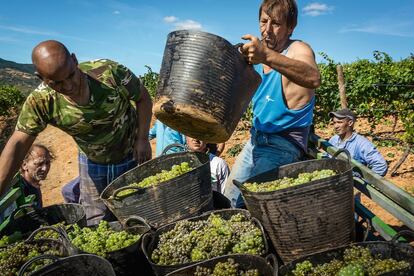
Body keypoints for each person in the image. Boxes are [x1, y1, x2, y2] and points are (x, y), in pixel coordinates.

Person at [0, 40, 152, 225]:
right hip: (92, 162)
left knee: (139, 211)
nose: (69, 86)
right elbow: (17, 144)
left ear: (74, 59)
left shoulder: (109, 72)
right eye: (57, 83)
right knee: (96, 220)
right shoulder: (41, 101)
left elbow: (143, 98)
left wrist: (142, 138)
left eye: (71, 75)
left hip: (132, 155)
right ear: (41, 77)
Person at [223, 0, 321, 207]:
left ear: (290, 27)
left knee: (251, 206)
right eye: (263, 21)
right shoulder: (259, 59)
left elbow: (313, 78)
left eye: (275, 23)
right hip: (255, 140)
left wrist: (266, 56)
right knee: (229, 199)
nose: (267, 30)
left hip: (282, 145)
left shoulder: (297, 49)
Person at [0, 144, 52, 223]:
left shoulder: (33, 183)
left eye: (47, 163)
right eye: (39, 164)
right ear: (24, 165)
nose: (45, 168)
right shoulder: (19, 190)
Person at [328, 108, 388, 176]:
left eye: (339, 122)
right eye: (334, 123)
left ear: (350, 123)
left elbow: (381, 165)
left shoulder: (362, 144)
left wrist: (364, 181)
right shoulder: (334, 139)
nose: (336, 126)